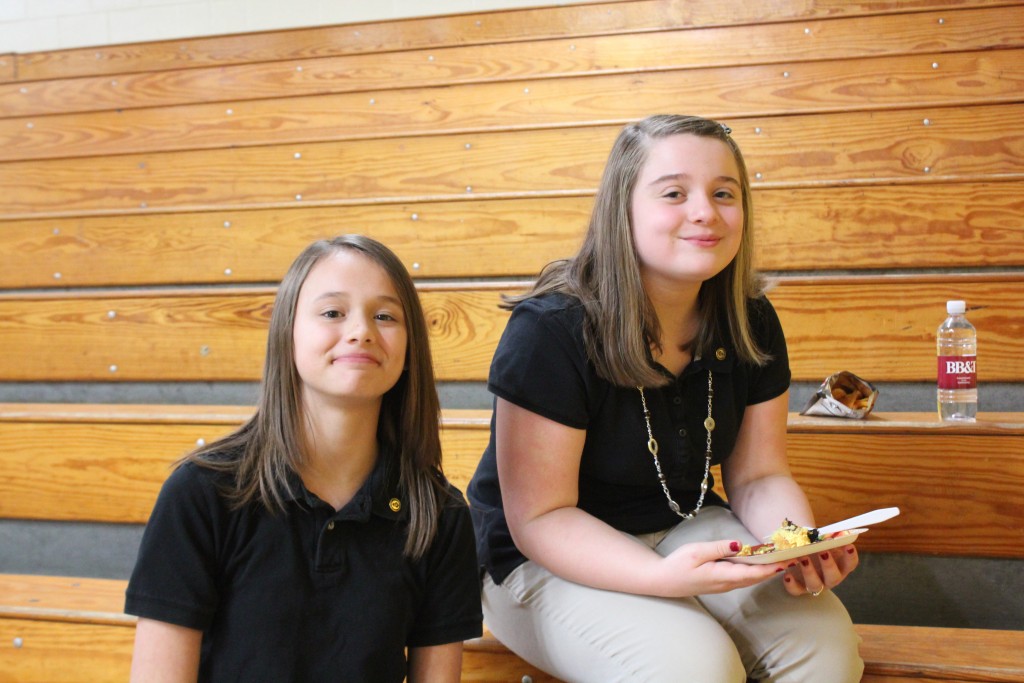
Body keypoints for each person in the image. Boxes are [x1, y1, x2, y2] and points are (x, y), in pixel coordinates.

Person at [467, 115, 863, 681]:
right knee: (694, 668)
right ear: (622, 208)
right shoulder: (551, 329)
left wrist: (795, 544)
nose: (705, 212)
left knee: (825, 653)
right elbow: (541, 518)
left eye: (724, 193)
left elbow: (758, 477)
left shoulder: (749, 319)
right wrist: (664, 579)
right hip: (540, 556)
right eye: (674, 193)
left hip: (682, 527)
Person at [125, 235, 482, 682]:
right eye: (332, 312)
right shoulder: (201, 493)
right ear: (286, 334)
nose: (361, 331)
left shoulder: (440, 515)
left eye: (385, 316)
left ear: (410, 348)